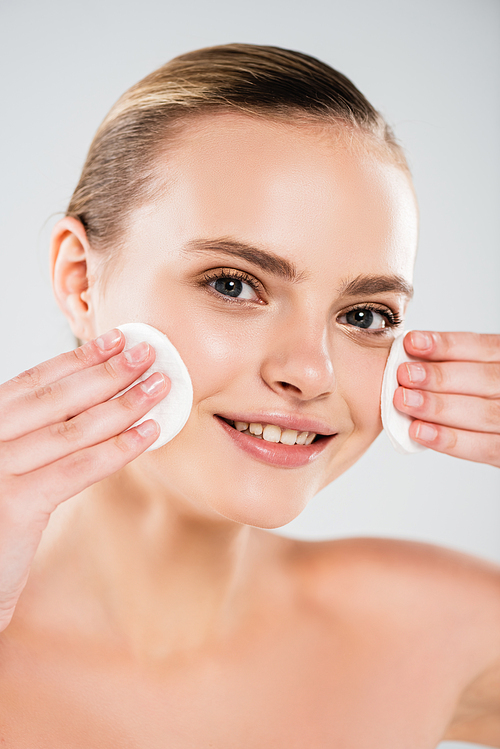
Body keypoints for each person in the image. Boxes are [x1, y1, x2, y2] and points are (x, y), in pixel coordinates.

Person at [0, 43, 498, 747]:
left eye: (364, 315)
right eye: (234, 284)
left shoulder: (440, 630)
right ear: (81, 280)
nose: (311, 371)